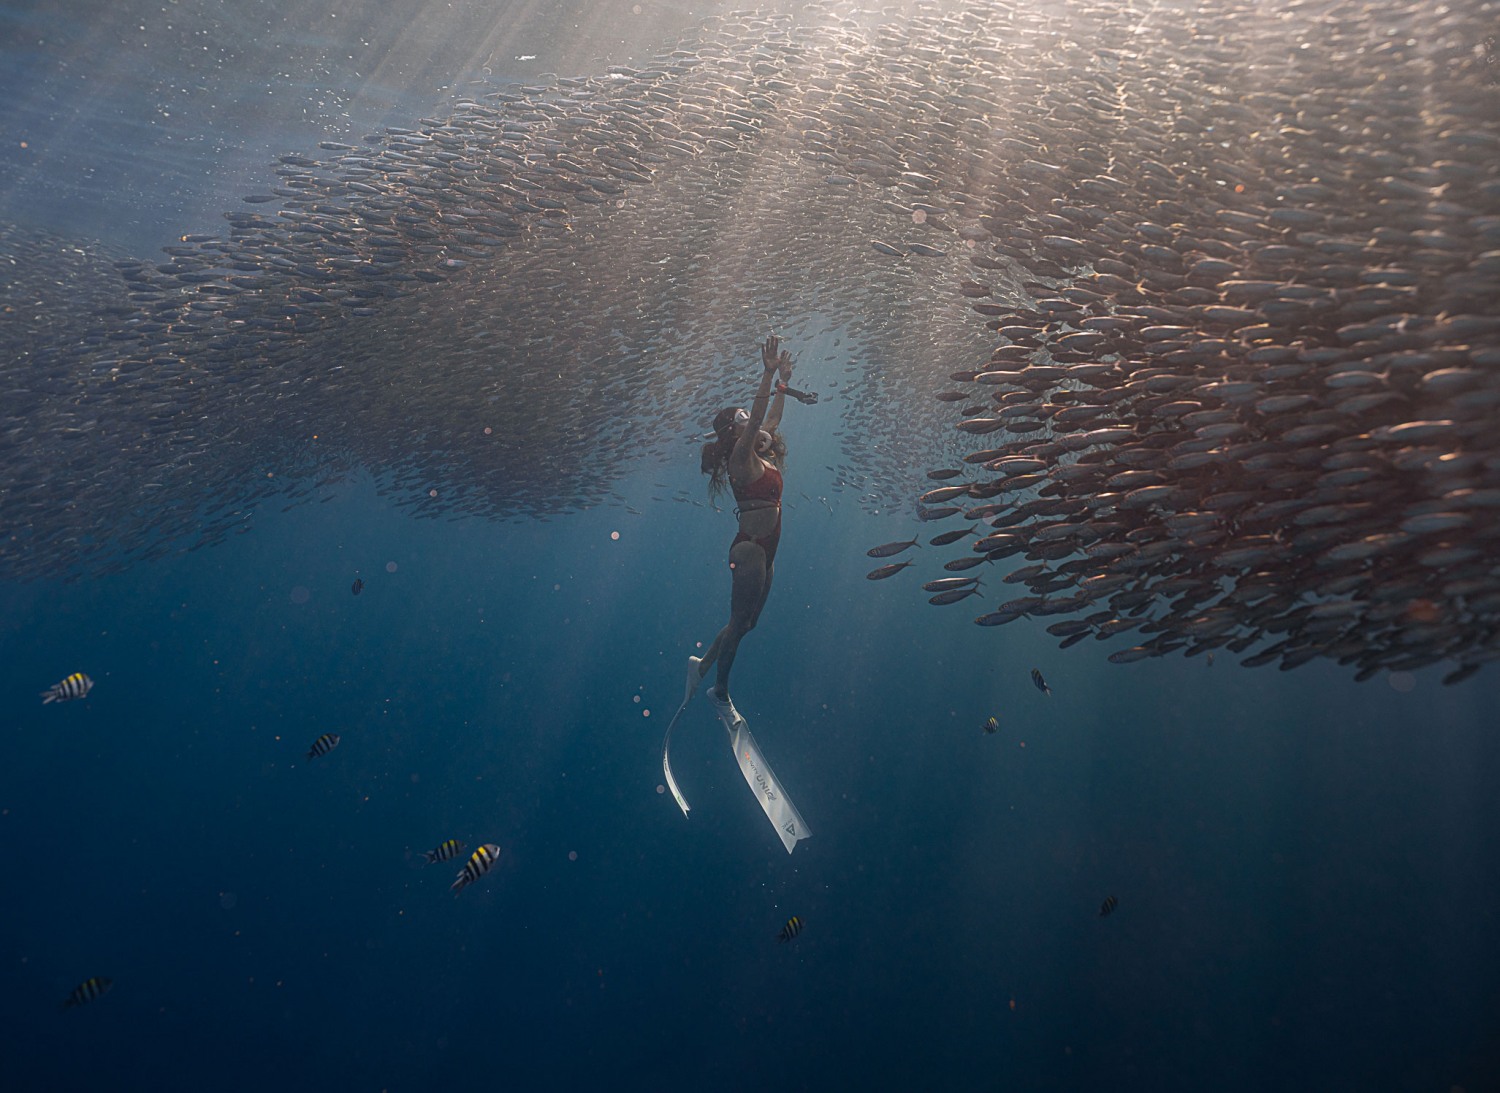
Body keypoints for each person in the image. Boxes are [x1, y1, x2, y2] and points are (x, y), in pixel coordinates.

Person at [688, 334, 796, 731]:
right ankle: (719, 690)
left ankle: (701, 666)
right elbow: (759, 411)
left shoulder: (757, 453)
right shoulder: (739, 456)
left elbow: (773, 418)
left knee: (746, 624)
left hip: (766, 551)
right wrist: (767, 375)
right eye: (745, 423)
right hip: (750, 551)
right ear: (735, 432)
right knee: (738, 623)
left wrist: (783, 381)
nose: (754, 426)